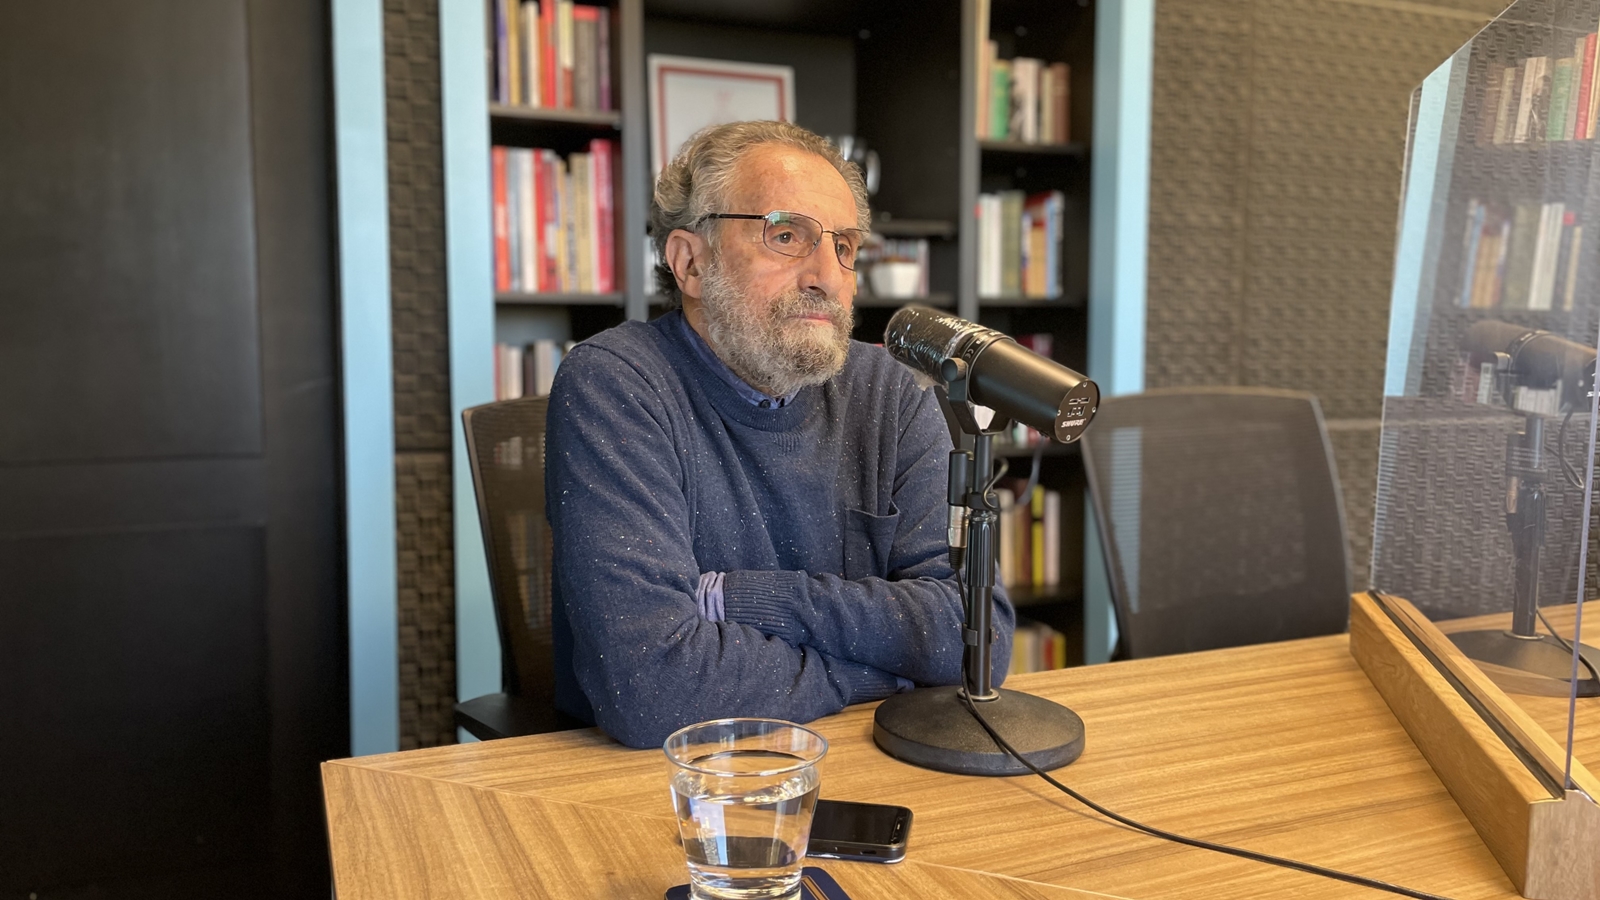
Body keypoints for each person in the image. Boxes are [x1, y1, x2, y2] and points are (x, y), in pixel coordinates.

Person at [544, 120, 1013, 749]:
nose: (826, 275)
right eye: (787, 236)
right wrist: (890, 674)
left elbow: (978, 638)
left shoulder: (890, 391)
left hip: (856, 755)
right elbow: (650, 686)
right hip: (662, 779)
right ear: (690, 262)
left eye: (844, 246)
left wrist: (745, 599)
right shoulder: (616, 383)